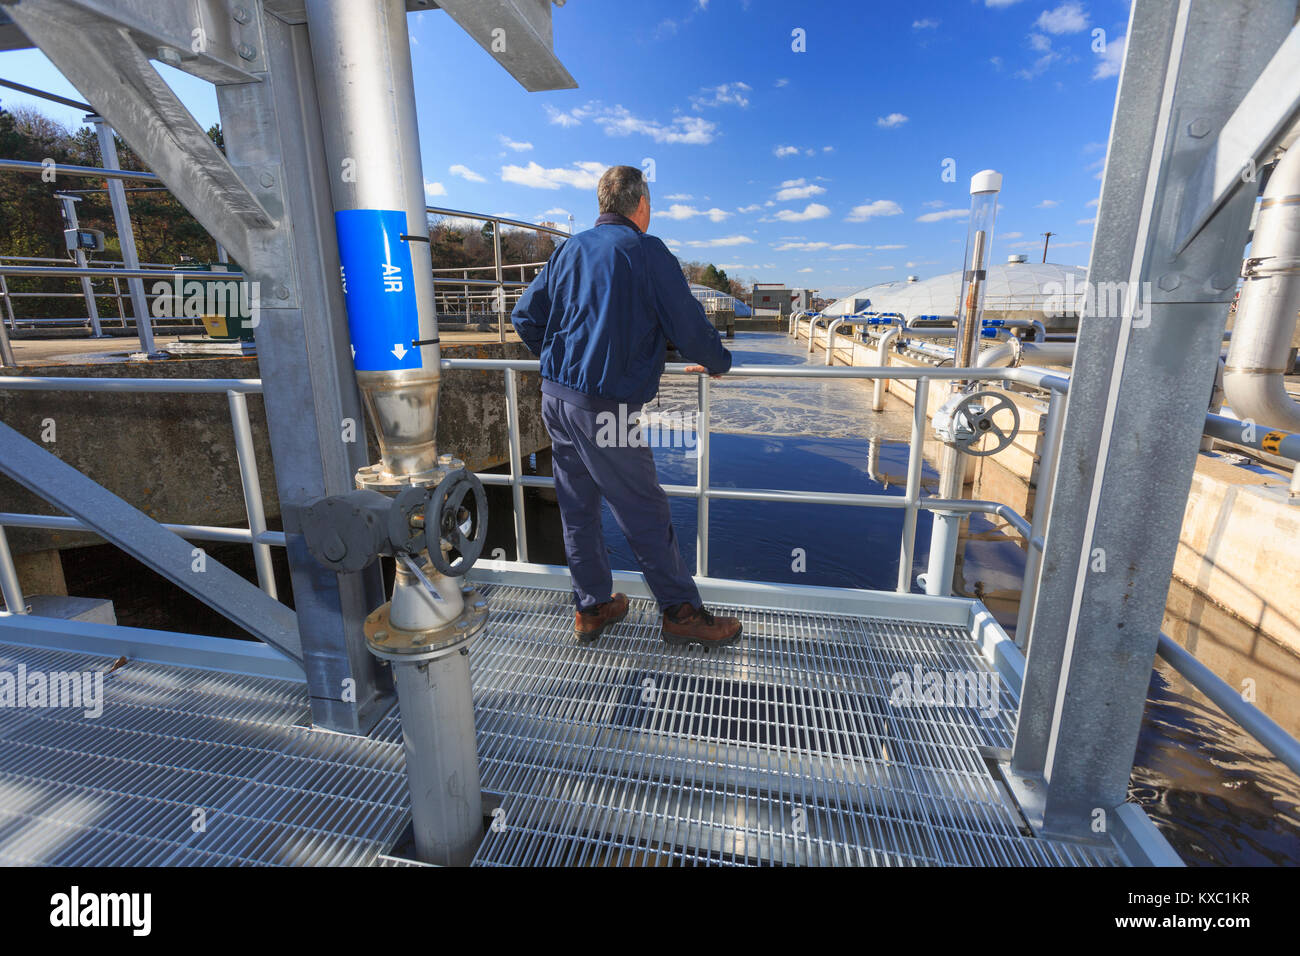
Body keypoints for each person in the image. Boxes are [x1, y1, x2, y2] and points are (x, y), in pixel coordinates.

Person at [511, 165, 742, 648]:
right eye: (651, 203)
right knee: (643, 508)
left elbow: (525, 316)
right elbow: (689, 325)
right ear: (641, 205)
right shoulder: (645, 251)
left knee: (578, 507)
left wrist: (558, 358)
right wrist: (717, 360)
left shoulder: (569, 249)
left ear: (602, 205)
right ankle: (681, 612)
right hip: (604, 409)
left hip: (555, 398)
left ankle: (592, 606)